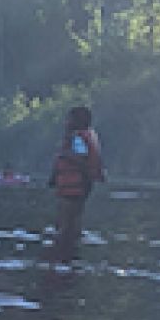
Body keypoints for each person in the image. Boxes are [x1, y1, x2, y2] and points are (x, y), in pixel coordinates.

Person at [47, 105, 104, 266]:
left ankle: (63, 252)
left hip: (75, 185)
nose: (66, 122)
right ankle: (71, 247)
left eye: (69, 119)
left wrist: (64, 154)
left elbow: (81, 157)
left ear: (77, 121)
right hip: (79, 185)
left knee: (66, 221)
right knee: (73, 221)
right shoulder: (85, 136)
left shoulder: (77, 138)